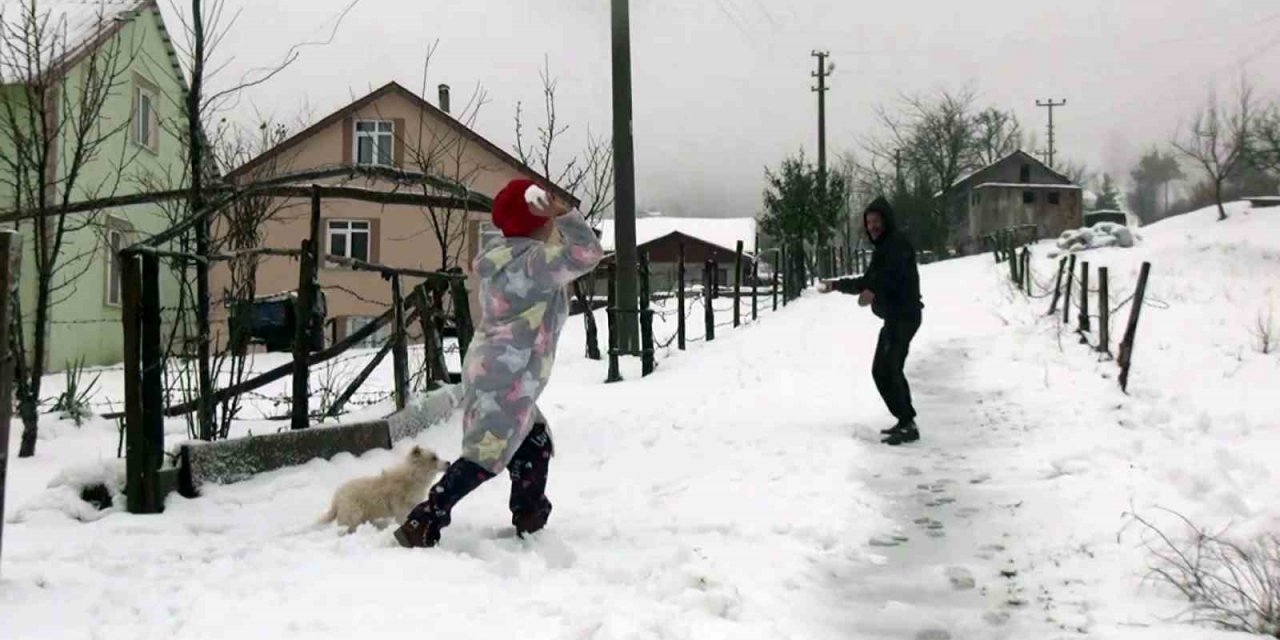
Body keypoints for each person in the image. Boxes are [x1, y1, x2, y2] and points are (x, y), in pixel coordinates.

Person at [394, 178, 604, 548]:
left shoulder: (502, 256)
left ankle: (530, 512)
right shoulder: (534, 262)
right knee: (484, 455)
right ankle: (425, 519)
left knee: (533, 439)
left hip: (494, 367)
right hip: (509, 373)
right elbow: (587, 252)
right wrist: (566, 215)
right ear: (536, 219)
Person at [818, 196, 924, 445]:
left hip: (904, 317)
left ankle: (908, 423)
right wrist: (836, 285)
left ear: (886, 220)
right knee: (881, 370)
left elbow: (892, 275)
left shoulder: (897, 244)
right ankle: (904, 419)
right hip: (894, 319)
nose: (873, 226)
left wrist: (875, 291)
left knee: (890, 368)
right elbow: (868, 280)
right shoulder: (883, 249)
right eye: (869, 222)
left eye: (876, 221)